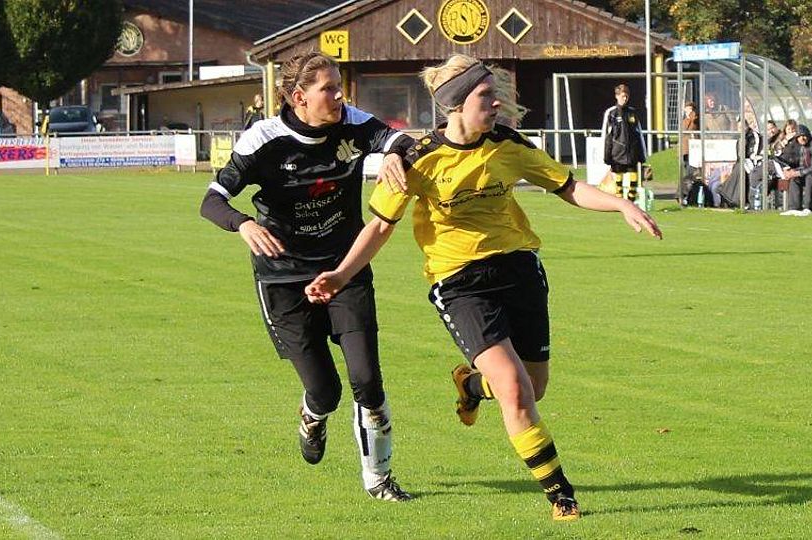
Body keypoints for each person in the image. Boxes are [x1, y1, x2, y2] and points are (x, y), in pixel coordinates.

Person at [304, 54, 663, 521]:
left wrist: (621, 205)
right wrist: (341, 274)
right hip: (459, 282)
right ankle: (562, 496)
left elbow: (568, 186)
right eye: (485, 96)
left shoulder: (507, 144)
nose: (496, 104)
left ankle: (471, 384)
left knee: (534, 387)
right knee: (514, 389)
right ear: (456, 104)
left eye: (495, 95)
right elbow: (380, 226)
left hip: (520, 271)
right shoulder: (416, 159)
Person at [199, 51, 416, 501]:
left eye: (339, 86)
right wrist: (243, 224)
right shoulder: (264, 139)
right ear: (299, 97)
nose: (340, 96)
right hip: (283, 277)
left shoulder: (352, 122)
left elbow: (396, 139)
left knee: (367, 380)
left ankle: (379, 479)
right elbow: (212, 200)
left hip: (345, 268)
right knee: (326, 390)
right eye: (328, 89)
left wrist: (395, 153)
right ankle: (313, 415)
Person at [602, 84, 647, 201]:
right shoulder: (611, 113)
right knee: (618, 184)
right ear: (617, 96)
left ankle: (631, 201)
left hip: (632, 152)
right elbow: (606, 135)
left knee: (634, 181)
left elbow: (639, 133)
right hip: (617, 153)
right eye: (623, 96)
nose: (625, 98)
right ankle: (620, 202)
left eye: (627, 96)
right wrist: (606, 155)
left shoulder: (632, 112)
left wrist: (642, 154)